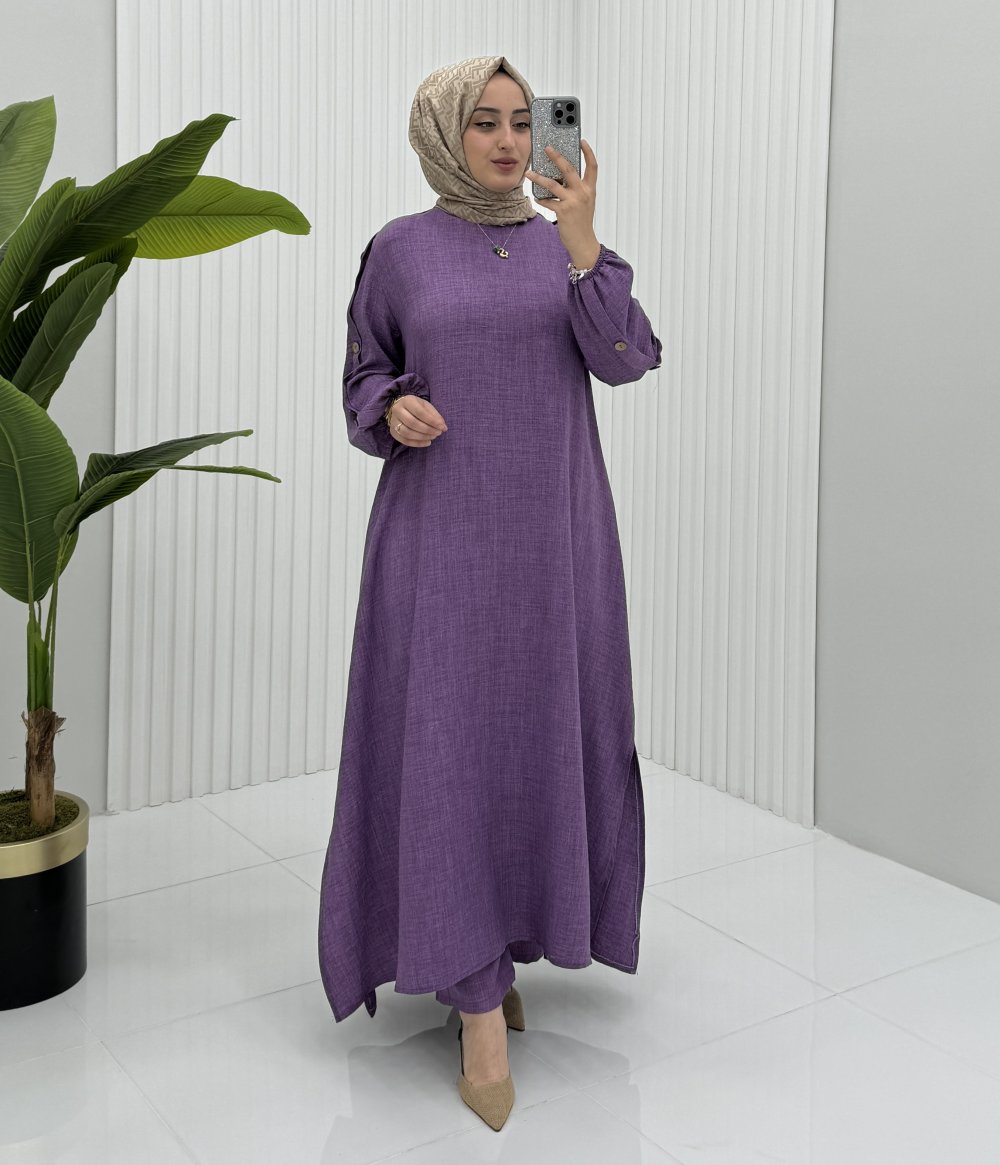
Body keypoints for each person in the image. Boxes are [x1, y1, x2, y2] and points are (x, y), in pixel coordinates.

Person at [318, 55, 663, 1131]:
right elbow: (361, 375)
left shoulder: (568, 249)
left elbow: (627, 357)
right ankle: (473, 999)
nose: (510, 142)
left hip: (556, 545)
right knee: (448, 747)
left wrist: (583, 236)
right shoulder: (399, 250)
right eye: (485, 123)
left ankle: (506, 944)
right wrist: (391, 408)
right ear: (442, 134)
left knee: (537, 741)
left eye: (523, 122)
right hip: (441, 547)